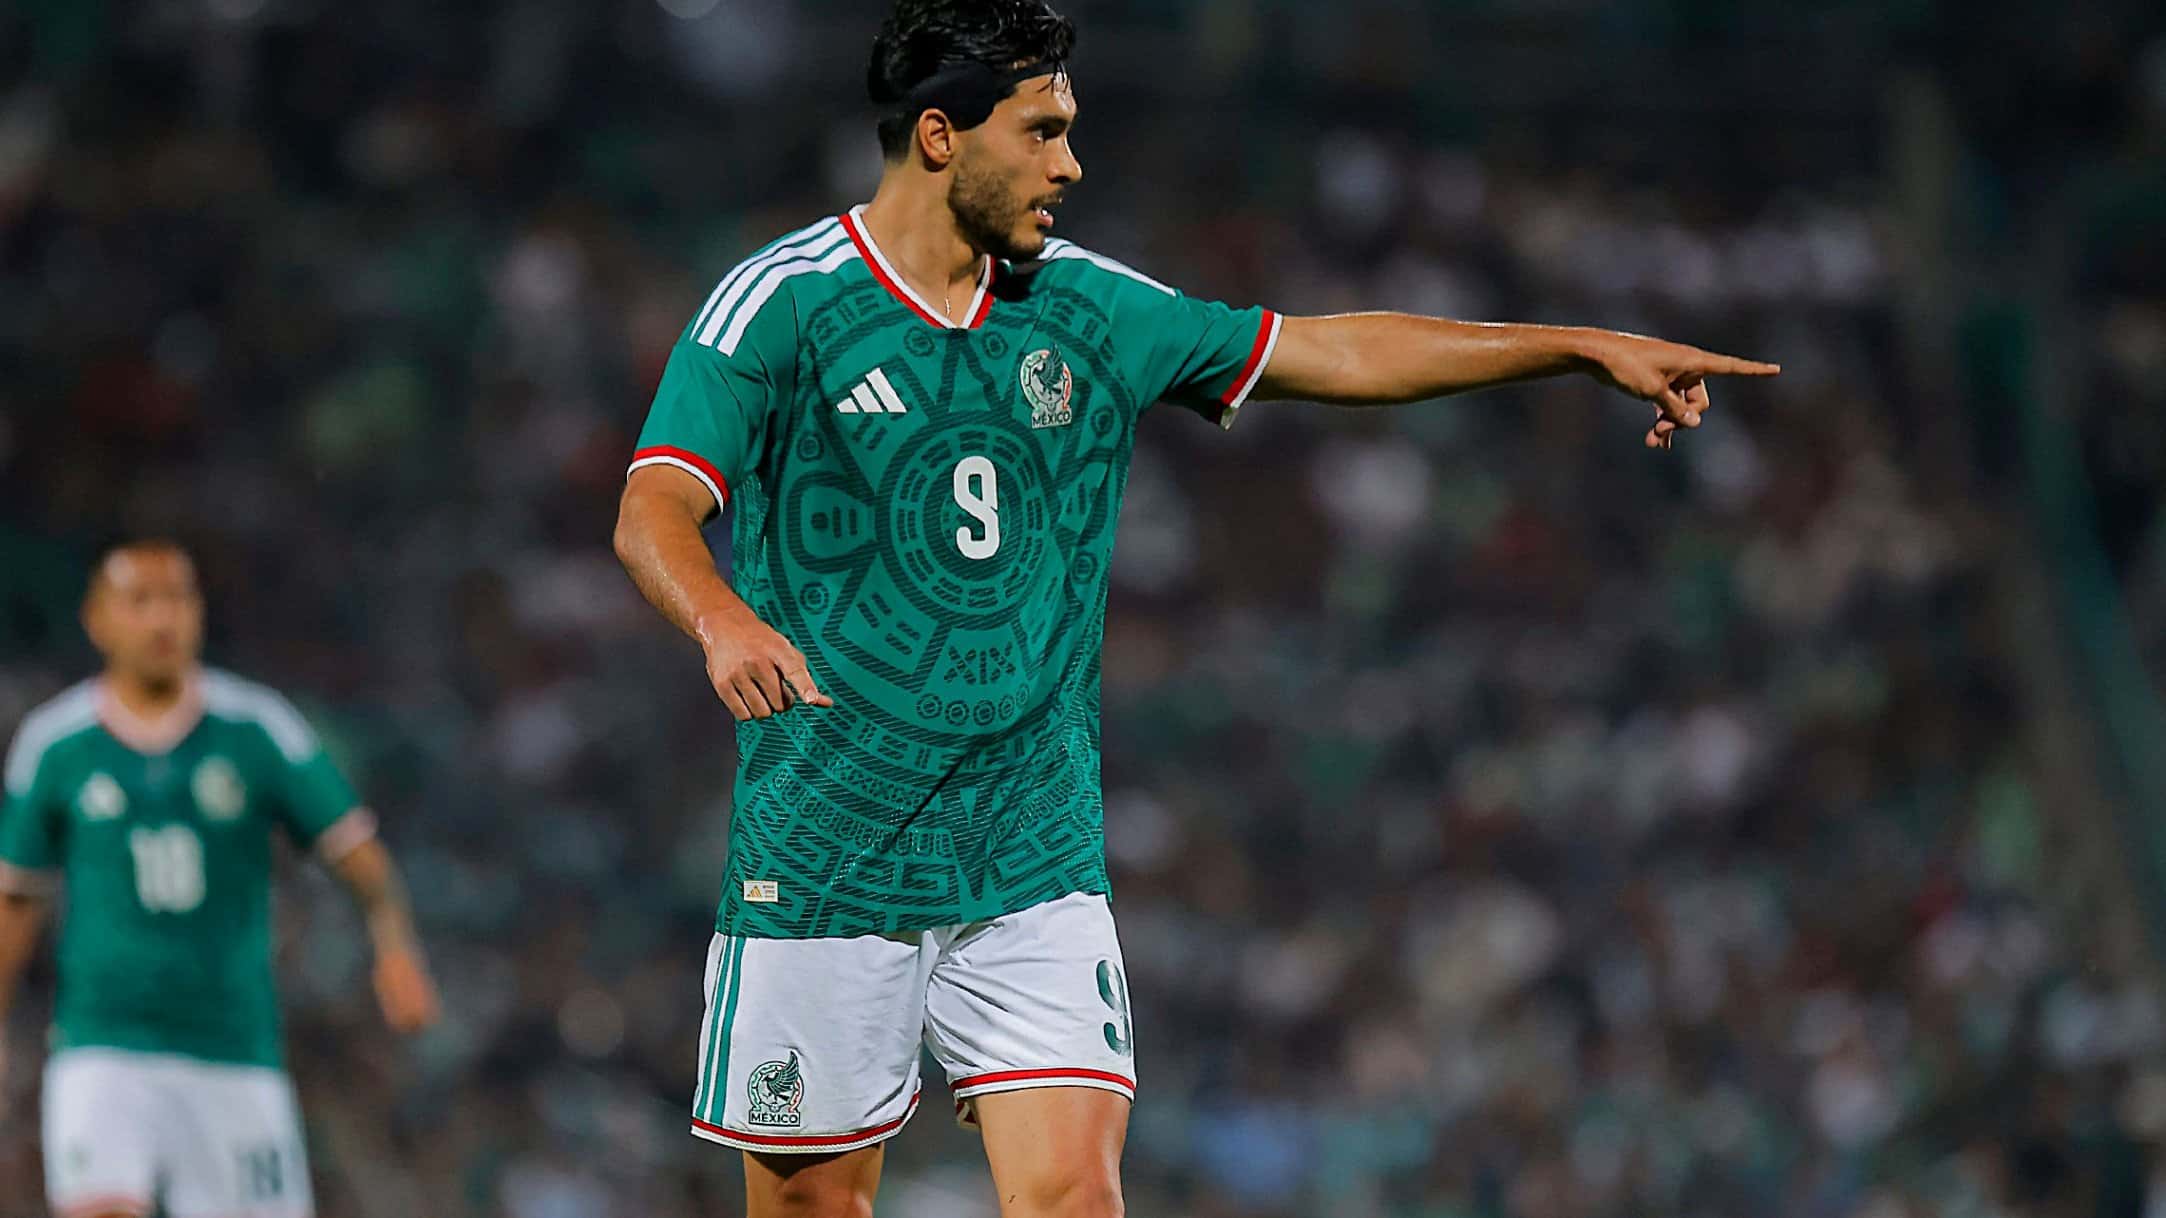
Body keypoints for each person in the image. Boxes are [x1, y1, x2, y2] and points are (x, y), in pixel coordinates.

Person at [611, 1, 1780, 1214]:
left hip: (1031, 855)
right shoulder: (781, 303)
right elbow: (653, 509)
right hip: (828, 851)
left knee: (1073, 1197)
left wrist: (1579, 346)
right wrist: (722, 619)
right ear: (944, 137)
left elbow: (1339, 354)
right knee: (813, 1205)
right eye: (1044, 130)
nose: (1073, 163)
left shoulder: (1093, 306)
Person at [0, 540, 440, 1218]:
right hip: (102, 1045)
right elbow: (16, 898)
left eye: (177, 599)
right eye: (139, 601)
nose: (161, 621)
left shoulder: (257, 729)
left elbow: (358, 854)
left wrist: (396, 946)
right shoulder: (54, 743)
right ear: (97, 619)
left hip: (233, 1050)